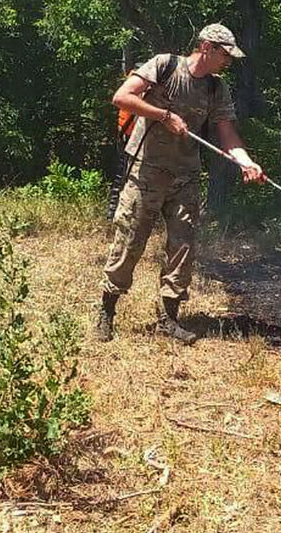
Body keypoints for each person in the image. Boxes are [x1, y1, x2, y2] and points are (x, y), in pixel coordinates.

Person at [96, 22, 265, 344]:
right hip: (146, 171)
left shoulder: (217, 88)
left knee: (182, 247)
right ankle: (106, 311)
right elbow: (122, 97)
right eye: (224, 55)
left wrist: (246, 162)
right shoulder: (164, 65)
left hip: (185, 176)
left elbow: (227, 133)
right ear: (206, 47)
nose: (227, 61)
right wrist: (162, 115)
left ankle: (168, 319)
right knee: (130, 241)